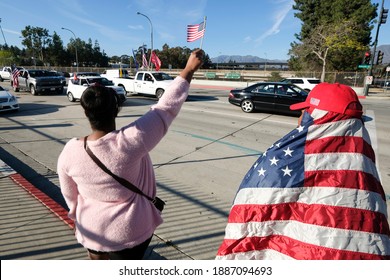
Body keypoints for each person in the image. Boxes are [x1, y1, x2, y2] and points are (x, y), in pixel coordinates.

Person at [57, 49, 204, 260]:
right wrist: (189, 69)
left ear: (86, 112)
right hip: (129, 234)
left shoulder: (69, 152)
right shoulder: (131, 141)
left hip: (91, 232)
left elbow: (70, 197)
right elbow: (165, 109)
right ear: (116, 109)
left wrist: (80, 216)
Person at [216, 83, 390, 260]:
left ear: (317, 116)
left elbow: (253, 211)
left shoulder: (285, 159)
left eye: (305, 112)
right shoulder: (365, 165)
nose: (300, 118)